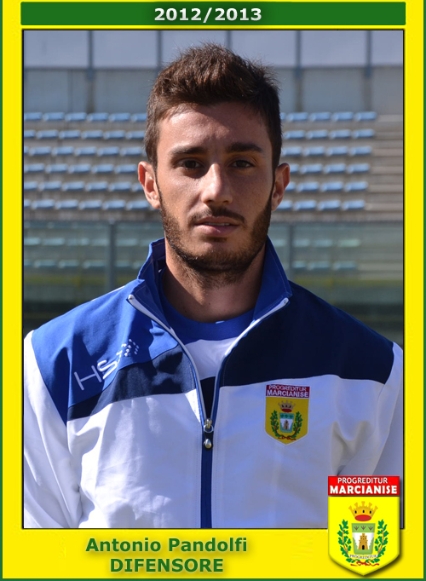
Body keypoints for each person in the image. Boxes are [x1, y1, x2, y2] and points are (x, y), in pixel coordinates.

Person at [24, 44, 403, 529]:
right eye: (190, 163)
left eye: (242, 163)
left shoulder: (371, 371)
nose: (216, 190)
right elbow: (36, 554)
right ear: (150, 183)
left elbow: (377, 554)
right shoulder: (55, 363)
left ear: (278, 185)